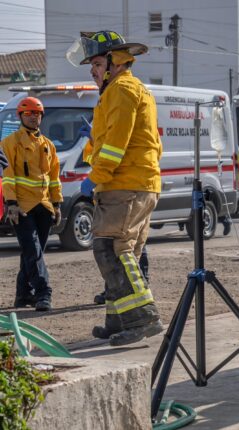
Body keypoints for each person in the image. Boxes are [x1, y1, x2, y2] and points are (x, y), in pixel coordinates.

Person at [68, 30, 163, 346]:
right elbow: (112, 140)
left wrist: (97, 175)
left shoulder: (121, 90)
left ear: (113, 61)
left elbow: (116, 147)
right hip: (134, 183)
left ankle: (142, 318)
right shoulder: (125, 89)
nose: (92, 71)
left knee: (111, 250)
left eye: (95, 63)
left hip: (125, 184)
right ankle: (119, 319)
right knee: (126, 253)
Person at [1, 97, 62, 312]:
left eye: (37, 113)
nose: (33, 117)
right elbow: (7, 176)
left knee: (32, 252)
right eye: (28, 113)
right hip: (22, 207)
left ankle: (23, 294)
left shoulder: (48, 145)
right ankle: (43, 293)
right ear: (20, 116)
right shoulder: (9, 144)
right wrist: (12, 203)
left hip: (44, 206)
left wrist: (57, 204)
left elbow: (54, 178)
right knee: (33, 251)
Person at [80, 127, 153, 306]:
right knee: (116, 247)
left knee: (128, 246)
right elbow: (94, 161)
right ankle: (115, 290)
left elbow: (112, 159)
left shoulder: (121, 130)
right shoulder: (94, 143)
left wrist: (95, 137)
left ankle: (140, 289)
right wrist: (94, 139)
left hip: (126, 193)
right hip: (110, 195)